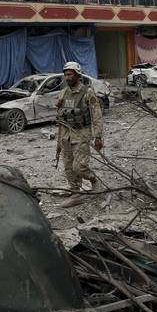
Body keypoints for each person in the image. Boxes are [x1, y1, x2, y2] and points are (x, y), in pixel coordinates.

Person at [55, 62, 103, 207]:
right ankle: (76, 193)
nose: (67, 77)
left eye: (70, 74)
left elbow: (96, 115)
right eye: (65, 75)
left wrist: (98, 137)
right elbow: (61, 117)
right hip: (66, 135)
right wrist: (59, 141)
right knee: (68, 167)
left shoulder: (87, 92)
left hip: (82, 134)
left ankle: (94, 179)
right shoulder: (64, 93)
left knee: (79, 167)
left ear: (77, 75)